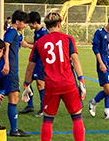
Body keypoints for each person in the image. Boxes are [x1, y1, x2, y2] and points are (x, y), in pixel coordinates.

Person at [22, 12, 86, 141]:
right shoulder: (68, 39)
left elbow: (30, 67)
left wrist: (26, 84)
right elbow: (75, 60)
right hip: (68, 83)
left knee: (48, 120)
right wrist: (81, 81)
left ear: (46, 25)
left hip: (51, 85)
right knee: (77, 117)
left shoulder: (39, 42)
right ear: (59, 24)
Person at [0, 10, 30, 137]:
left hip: (4, 70)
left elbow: (23, 44)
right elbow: (5, 45)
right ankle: (14, 129)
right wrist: (6, 63)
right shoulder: (11, 31)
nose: (25, 25)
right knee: (13, 99)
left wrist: (35, 46)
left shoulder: (16, 33)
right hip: (9, 69)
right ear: (17, 21)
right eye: (24, 23)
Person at [20, 11, 48, 117]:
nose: (28, 25)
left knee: (40, 84)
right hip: (35, 60)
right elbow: (36, 44)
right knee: (27, 81)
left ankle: (43, 108)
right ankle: (30, 105)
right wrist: (27, 43)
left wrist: (27, 45)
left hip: (41, 61)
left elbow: (41, 48)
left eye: (29, 23)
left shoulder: (43, 32)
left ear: (35, 22)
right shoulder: (37, 32)